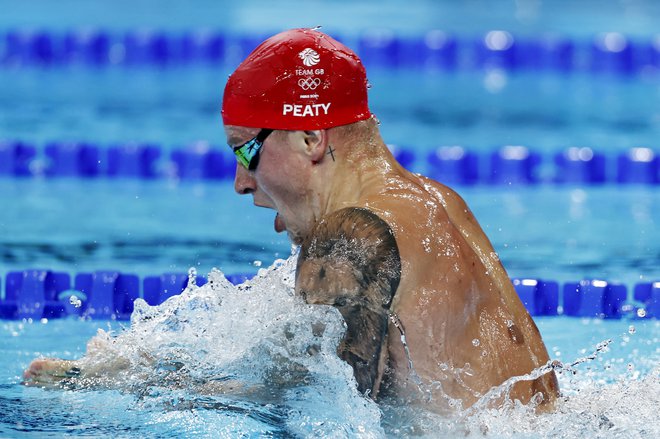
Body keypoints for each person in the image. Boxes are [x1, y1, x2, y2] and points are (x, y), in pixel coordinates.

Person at [24, 28, 558, 412]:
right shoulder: (438, 200)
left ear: (310, 138)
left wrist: (129, 384)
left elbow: (329, 411)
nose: (241, 181)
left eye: (245, 152)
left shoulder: (351, 234)